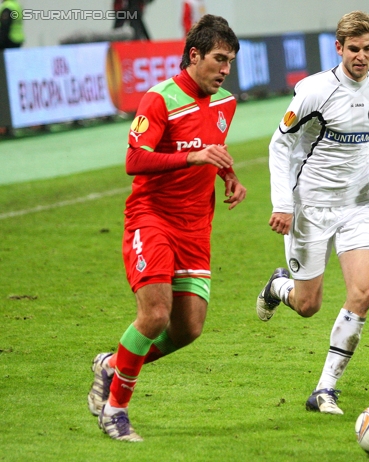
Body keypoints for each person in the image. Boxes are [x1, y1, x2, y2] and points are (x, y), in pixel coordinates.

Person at [87, 14, 246, 441]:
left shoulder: (226, 104)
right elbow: (134, 161)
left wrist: (228, 174)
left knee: (188, 329)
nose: (225, 68)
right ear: (194, 56)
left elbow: (213, 148)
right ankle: (115, 411)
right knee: (154, 315)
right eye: (218, 59)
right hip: (152, 219)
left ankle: (112, 365)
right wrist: (190, 159)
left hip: (197, 228)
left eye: (230, 60)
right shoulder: (159, 99)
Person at [256, 11, 369, 415]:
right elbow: (279, 144)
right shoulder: (315, 92)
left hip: (359, 205)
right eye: (354, 49)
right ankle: (278, 287)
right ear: (339, 48)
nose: (362, 56)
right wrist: (283, 204)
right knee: (308, 305)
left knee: (365, 292)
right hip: (310, 208)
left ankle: (325, 388)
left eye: (368, 48)